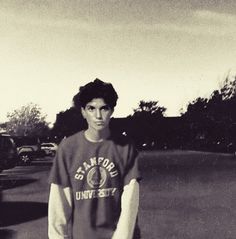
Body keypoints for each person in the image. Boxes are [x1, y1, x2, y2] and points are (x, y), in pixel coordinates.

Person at [48, 79, 141, 239]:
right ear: (83, 111)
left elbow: (130, 201)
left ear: (111, 110)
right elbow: (59, 204)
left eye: (104, 108)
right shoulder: (68, 148)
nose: (98, 116)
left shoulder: (125, 147)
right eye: (91, 108)